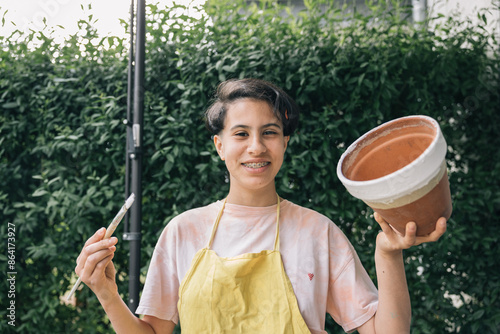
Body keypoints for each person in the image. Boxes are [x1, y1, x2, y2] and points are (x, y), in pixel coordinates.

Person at [75, 78, 447, 334]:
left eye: (269, 132)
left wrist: (388, 255)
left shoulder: (317, 232)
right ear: (220, 146)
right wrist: (106, 293)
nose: (256, 147)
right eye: (241, 134)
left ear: (284, 143)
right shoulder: (183, 231)